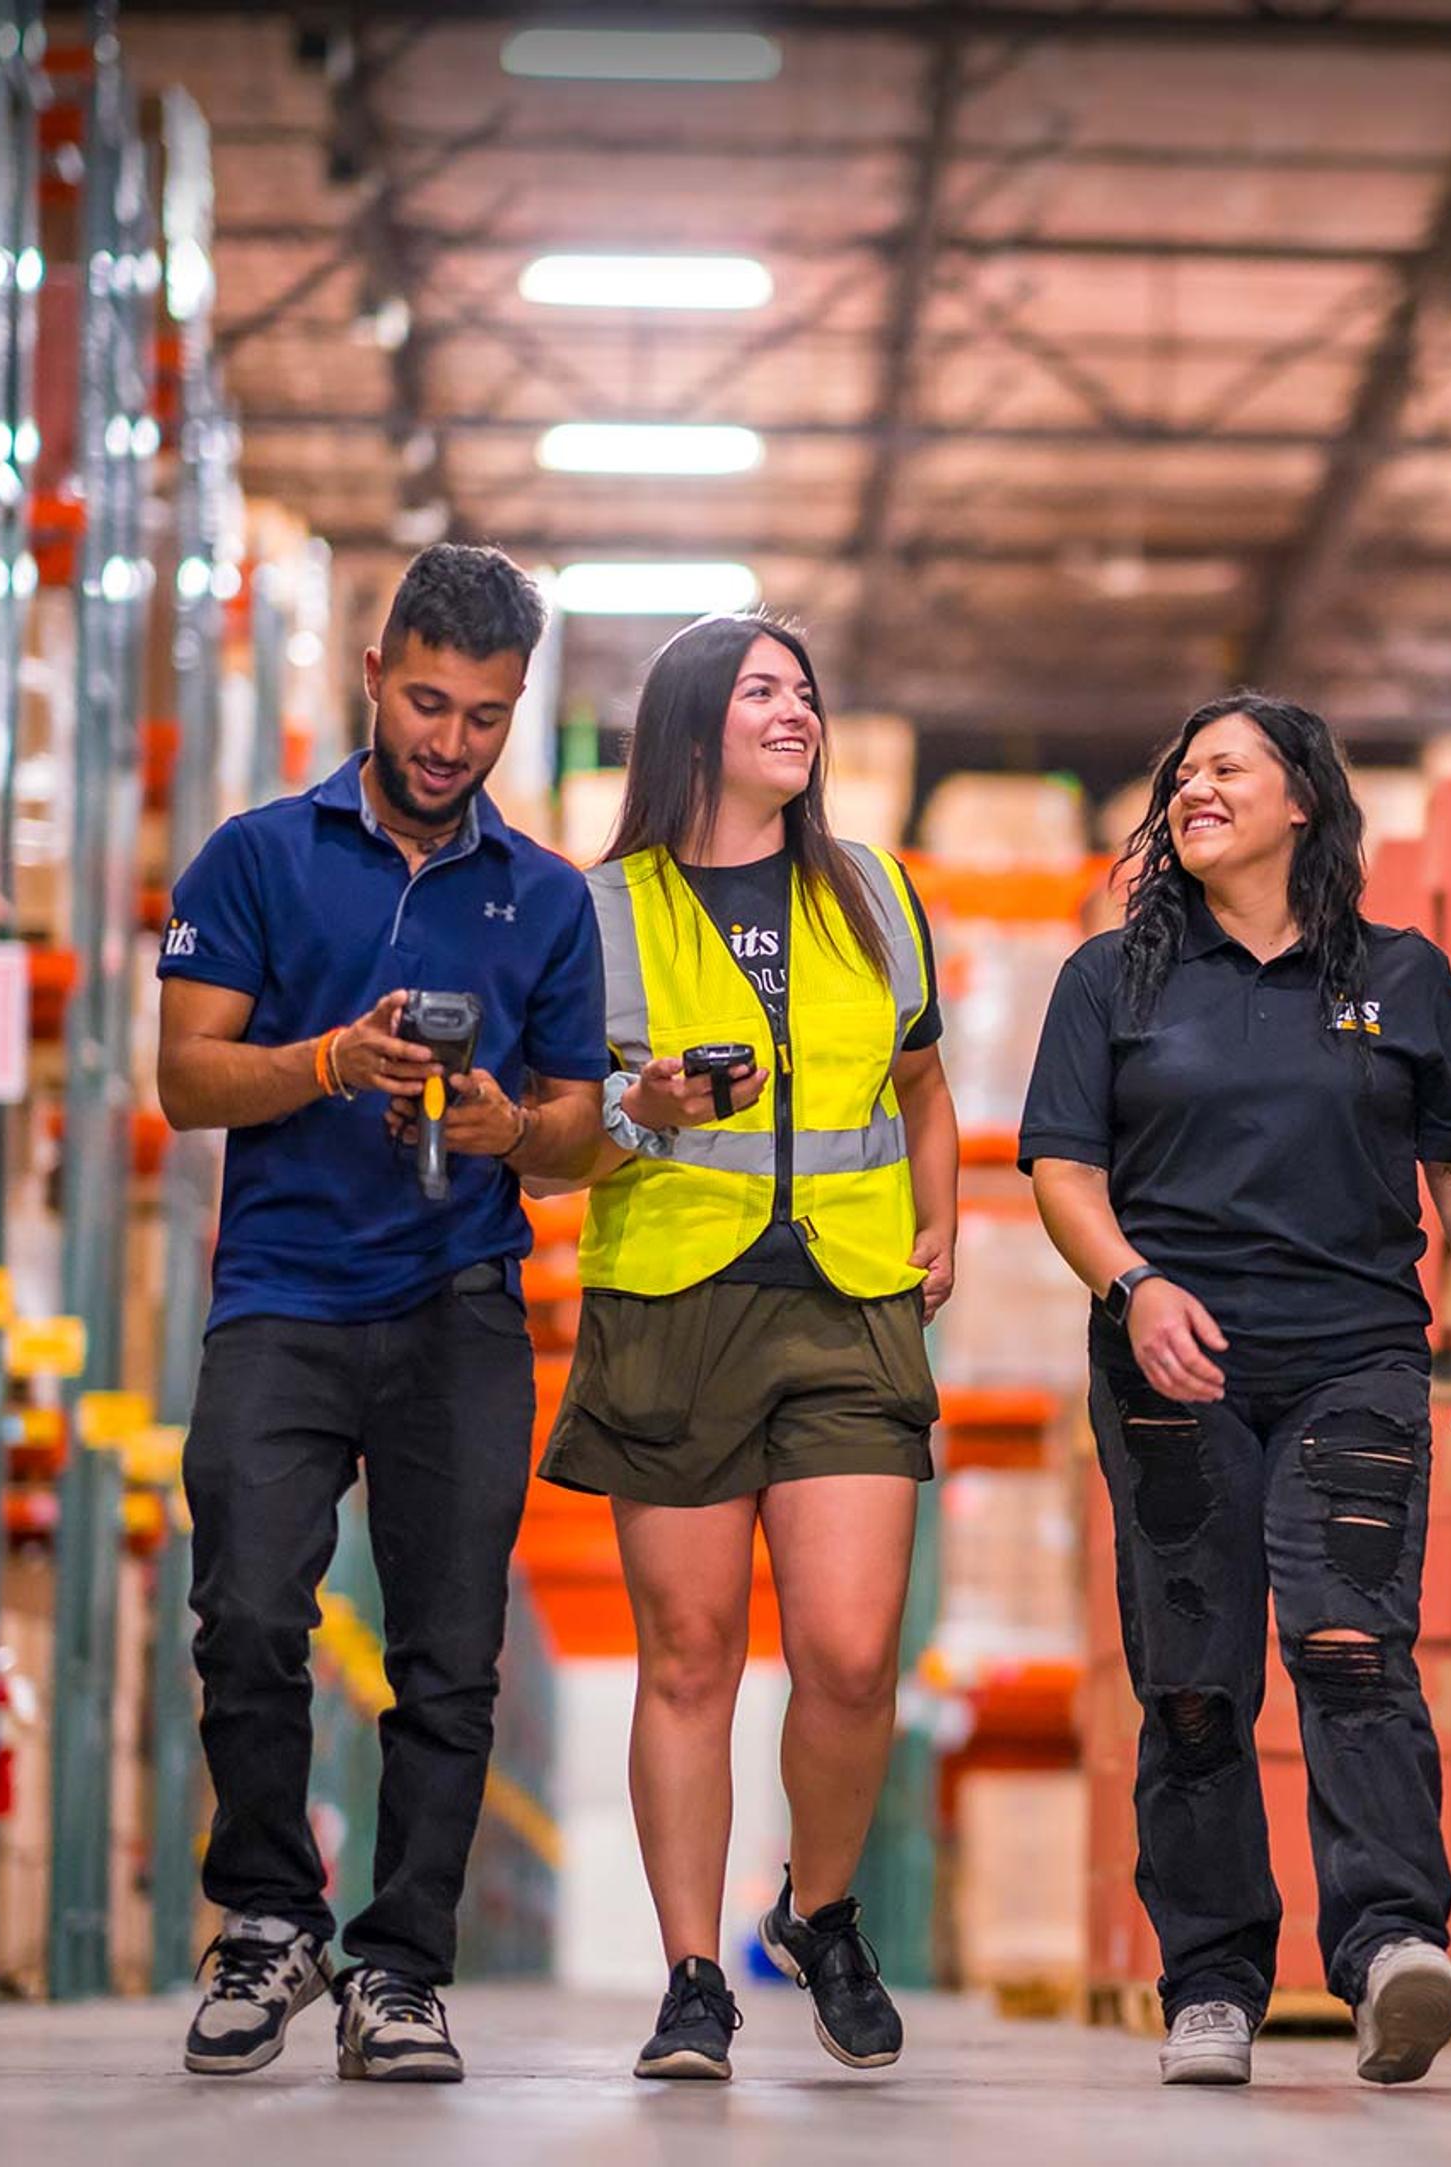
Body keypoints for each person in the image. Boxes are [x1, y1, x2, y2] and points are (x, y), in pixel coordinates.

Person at [1021, 692, 1451, 2091]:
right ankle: (1211, 1982)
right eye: (1181, 774)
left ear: (1303, 800)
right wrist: (1136, 1290)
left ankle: (1390, 1948)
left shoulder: (1402, 972)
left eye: (1227, 769)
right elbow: (1063, 1174)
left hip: (1357, 1358)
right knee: (1195, 1686)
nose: (1194, 789)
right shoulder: (1112, 982)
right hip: (1170, 1361)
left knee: (1351, 1647)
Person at [152, 544, 606, 2083]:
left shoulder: (546, 900)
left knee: (449, 1656)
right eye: (428, 701)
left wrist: (507, 1132)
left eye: (484, 716)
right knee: (252, 1614)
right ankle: (270, 1924)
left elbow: (584, 1132)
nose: (450, 741)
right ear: (373, 672)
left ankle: (400, 1969)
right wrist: (328, 1063)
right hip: (280, 1300)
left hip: (458, 1307)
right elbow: (184, 1076)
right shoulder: (255, 858)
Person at [534, 612, 959, 2082]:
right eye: (764, 690)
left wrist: (944, 1223)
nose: (799, 711)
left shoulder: (879, 892)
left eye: (808, 692)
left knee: (848, 1656)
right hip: (675, 1309)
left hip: (848, 1304)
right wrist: (644, 1104)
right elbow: (550, 1153)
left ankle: (819, 1912)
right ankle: (694, 1979)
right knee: (694, 1655)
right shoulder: (598, 910)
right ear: (693, 721)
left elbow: (921, 1089)